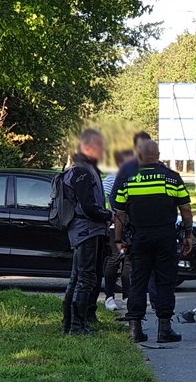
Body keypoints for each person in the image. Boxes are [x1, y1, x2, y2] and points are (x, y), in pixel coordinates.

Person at [114, 139, 194, 343]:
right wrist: (188, 235)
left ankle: (135, 329)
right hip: (165, 238)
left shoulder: (128, 180)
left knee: (138, 282)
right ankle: (164, 329)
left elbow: (120, 214)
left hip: (139, 239)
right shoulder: (172, 178)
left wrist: (118, 239)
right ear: (158, 155)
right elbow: (185, 209)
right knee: (165, 281)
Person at [62, 129, 114, 335]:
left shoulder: (83, 168)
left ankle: (70, 325)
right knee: (85, 279)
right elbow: (89, 206)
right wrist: (107, 215)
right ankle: (76, 327)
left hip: (84, 231)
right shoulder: (82, 171)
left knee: (77, 278)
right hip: (86, 231)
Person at [109, 131, 158, 308]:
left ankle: (151, 303)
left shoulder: (158, 168)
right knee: (135, 267)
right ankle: (135, 306)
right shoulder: (128, 169)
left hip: (153, 226)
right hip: (136, 226)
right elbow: (114, 197)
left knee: (150, 267)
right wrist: (126, 217)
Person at [102, 149, 136, 311]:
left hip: (131, 226)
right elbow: (103, 200)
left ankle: (127, 296)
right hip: (115, 226)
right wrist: (110, 215)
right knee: (114, 260)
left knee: (129, 262)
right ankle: (109, 297)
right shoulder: (111, 179)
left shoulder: (135, 178)